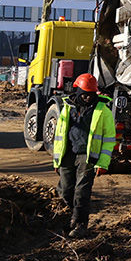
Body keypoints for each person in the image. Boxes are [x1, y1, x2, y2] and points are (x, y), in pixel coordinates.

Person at [51, 73, 116, 239]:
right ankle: (67, 221)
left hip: (87, 158)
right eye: (85, 93)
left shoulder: (103, 111)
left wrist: (103, 163)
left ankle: (80, 225)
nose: (88, 97)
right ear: (78, 92)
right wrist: (57, 160)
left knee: (81, 192)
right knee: (65, 191)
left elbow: (109, 140)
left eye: (91, 93)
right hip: (67, 155)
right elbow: (59, 135)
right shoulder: (67, 107)